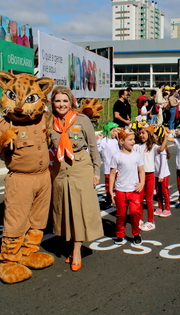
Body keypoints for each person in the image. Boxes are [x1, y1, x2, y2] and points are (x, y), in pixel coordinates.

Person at [50, 86, 104, 271]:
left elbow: (93, 147)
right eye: (58, 101)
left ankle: (77, 250)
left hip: (81, 166)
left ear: (71, 101)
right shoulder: (50, 122)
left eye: (65, 100)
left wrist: (96, 171)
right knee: (65, 208)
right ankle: (73, 246)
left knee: (80, 209)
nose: (62, 104)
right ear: (53, 103)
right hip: (60, 169)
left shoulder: (82, 120)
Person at [109, 128, 145, 246]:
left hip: (134, 190)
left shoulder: (136, 155)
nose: (133, 141)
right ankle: (120, 234)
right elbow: (112, 174)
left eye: (134, 139)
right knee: (121, 215)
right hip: (120, 190)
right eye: (130, 140)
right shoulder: (116, 156)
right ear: (121, 141)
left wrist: (142, 183)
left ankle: (136, 234)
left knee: (135, 213)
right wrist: (111, 190)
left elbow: (141, 171)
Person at [133, 125, 168, 232]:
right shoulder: (137, 146)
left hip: (150, 175)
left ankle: (150, 221)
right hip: (139, 175)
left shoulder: (153, 147)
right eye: (140, 133)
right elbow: (127, 146)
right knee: (139, 199)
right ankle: (140, 219)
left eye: (144, 133)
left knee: (148, 199)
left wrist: (166, 137)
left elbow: (161, 148)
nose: (141, 135)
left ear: (149, 134)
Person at [96, 122, 120, 209]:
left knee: (117, 184)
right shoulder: (104, 142)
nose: (116, 132)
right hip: (108, 168)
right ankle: (109, 200)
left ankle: (117, 199)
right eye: (114, 130)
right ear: (110, 131)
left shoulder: (115, 140)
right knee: (109, 185)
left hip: (117, 168)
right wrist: (98, 140)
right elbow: (97, 149)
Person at [153, 126, 171, 218]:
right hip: (156, 174)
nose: (153, 136)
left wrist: (161, 175)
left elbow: (163, 164)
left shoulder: (162, 150)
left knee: (164, 191)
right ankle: (160, 207)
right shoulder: (154, 148)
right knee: (158, 191)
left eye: (155, 135)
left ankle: (167, 208)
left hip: (163, 174)